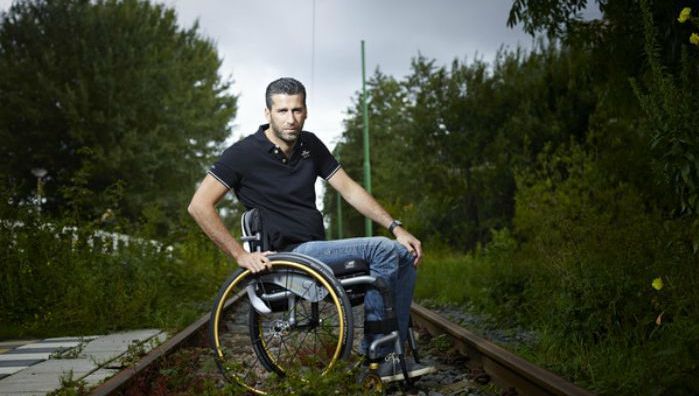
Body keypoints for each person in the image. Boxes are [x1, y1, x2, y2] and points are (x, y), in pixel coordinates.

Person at [188, 77, 434, 382]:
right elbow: (199, 205)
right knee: (380, 248)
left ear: (305, 111)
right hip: (289, 256)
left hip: (317, 251)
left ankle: (394, 355)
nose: (290, 119)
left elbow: (349, 189)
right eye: (282, 111)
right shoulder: (242, 154)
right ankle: (380, 354)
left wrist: (397, 227)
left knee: (402, 253)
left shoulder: (311, 145)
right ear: (267, 113)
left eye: (297, 110)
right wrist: (239, 254)